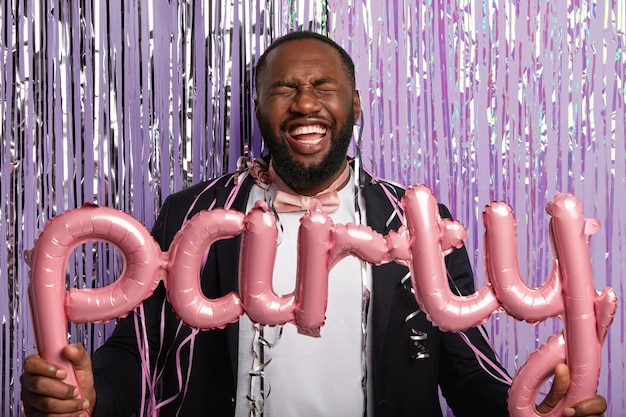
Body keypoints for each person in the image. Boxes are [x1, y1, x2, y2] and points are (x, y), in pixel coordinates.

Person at [21, 31, 607, 417]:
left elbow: (467, 369)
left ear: (354, 106)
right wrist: (86, 393)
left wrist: (529, 408)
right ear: (259, 110)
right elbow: (139, 351)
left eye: (325, 88)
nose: (305, 104)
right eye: (285, 89)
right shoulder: (192, 214)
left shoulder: (421, 221)